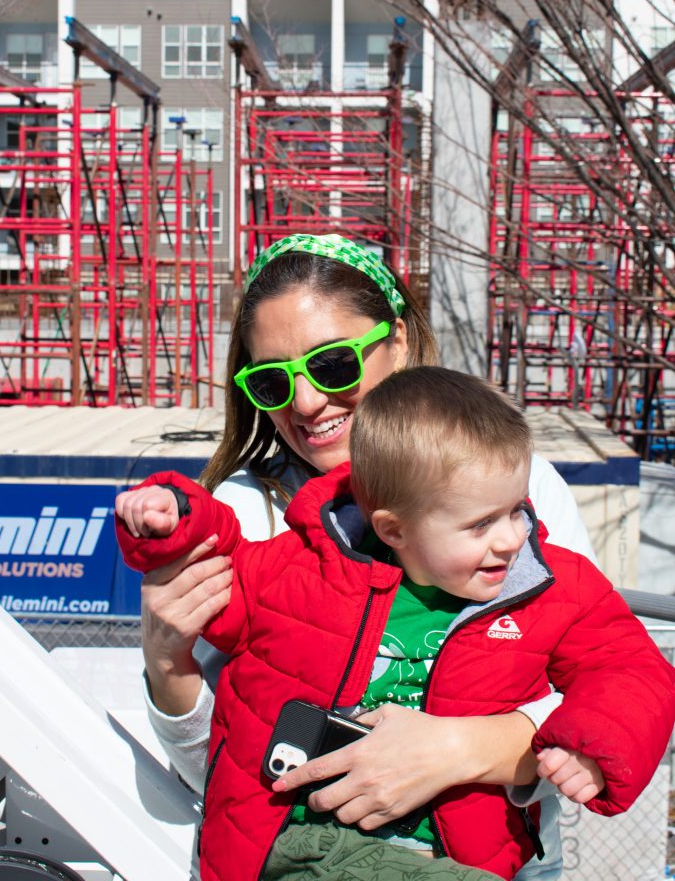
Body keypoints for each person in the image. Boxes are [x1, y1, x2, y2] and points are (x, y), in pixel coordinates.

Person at [118, 233, 597, 880]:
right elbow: (217, 768)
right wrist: (166, 663)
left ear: (396, 341)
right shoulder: (238, 514)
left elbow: (596, 689)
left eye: (333, 364)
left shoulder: (521, 491)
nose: (307, 402)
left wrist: (453, 750)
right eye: (271, 381)